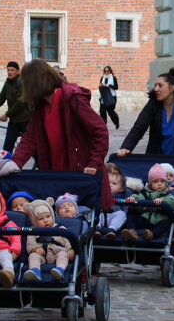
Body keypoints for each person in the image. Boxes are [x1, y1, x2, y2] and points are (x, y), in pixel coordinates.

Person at [8, 59, 113, 210]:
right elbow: (29, 138)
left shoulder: (71, 98)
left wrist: (94, 162)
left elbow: (100, 130)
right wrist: (14, 164)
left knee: (83, 222)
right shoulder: (41, 107)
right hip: (58, 177)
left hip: (81, 177)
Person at [117, 68, 174, 159]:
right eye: (155, 85)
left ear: (171, 88)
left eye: (160, 85)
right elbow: (138, 128)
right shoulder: (153, 103)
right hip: (155, 158)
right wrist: (125, 148)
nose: (156, 89)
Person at [122, 163, 174, 241]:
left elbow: (172, 201)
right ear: (150, 184)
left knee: (166, 224)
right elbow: (138, 197)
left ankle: (151, 234)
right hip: (145, 218)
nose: (159, 184)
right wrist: (132, 199)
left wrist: (163, 200)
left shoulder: (168, 192)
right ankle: (132, 231)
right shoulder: (145, 192)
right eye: (156, 182)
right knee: (130, 215)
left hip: (159, 219)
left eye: (162, 181)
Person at [0, 61, 33, 153]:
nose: (10, 72)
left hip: (25, 120)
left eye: (12, 70)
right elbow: (0, 99)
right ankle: (6, 166)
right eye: (8, 70)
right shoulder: (8, 83)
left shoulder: (22, 82)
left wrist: (7, 114)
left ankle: (42, 165)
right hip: (14, 121)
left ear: (18, 71)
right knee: (7, 148)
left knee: (31, 146)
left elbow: (21, 102)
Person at [24, 199, 74, 282]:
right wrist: (35, 249)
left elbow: (67, 241)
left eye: (48, 216)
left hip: (56, 253)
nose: (46, 220)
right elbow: (30, 243)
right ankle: (35, 271)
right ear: (34, 221)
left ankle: (60, 269)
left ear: (52, 215)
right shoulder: (32, 231)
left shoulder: (60, 229)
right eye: (40, 219)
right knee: (33, 256)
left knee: (63, 254)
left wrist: (70, 249)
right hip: (41, 256)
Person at [98, 162, 138, 237]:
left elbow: (126, 211)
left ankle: (112, 230)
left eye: (114, 183)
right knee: (95, 213)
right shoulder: (98, 192)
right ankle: (97, 228)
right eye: (107, 182)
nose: (110, 185)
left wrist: (131, 200)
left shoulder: (125, 194)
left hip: (116, 220)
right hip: (102, 217)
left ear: (121, 188)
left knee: (121, 214)